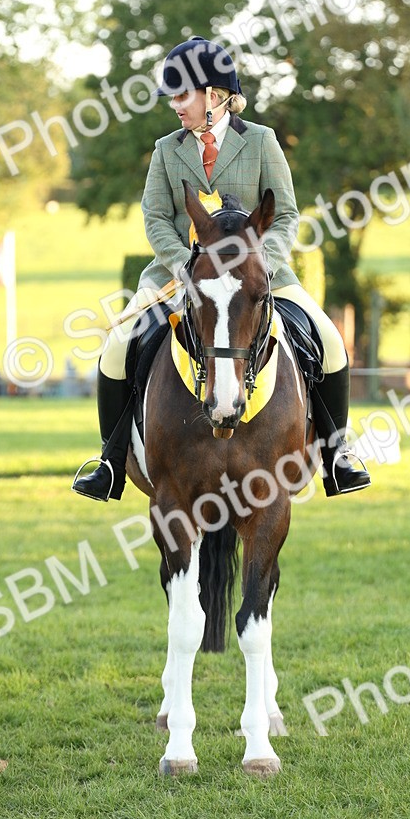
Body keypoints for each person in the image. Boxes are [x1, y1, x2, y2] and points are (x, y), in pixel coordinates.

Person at [72, 36, 370, 502]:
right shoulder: (166, 151)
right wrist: (181, 265)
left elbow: (287, 214)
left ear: (214, 96)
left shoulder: (262, 142)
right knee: (116, 345)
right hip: (177, 277)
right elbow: (154, 218)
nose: (174, 105)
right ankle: (109, 462)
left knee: (330, 340)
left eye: (181, 95)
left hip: (256, 278)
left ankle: (337, 456)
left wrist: (262, 265)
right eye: (172, 96)